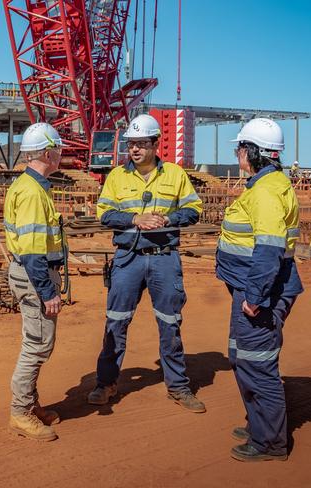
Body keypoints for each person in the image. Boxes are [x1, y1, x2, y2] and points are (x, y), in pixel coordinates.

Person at [87, 114, 206, 413]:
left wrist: (168, 218)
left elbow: (193, 209)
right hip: (128, 259)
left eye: (141, 144)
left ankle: (178, 386)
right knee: (116, 321)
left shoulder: (175, 175)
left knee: (170, 323)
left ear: (156, 144)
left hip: (164, 258)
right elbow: (105, 215)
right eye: (131, 144)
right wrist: (134, 219)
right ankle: (106, 383)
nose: (135, 150)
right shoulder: (116, 177)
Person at [217, 118, 304, 462]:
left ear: (251, 151)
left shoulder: (266, 192)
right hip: (251, 288)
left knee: (258, 364)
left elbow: (267, 250)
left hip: (259, 293)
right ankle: (259, 424)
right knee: (242, 357)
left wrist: (255, 297)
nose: (237, 154)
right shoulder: (265, 185)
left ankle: (269, 442)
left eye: (239, 148)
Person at [3, 122, 65, 441]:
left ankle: (31, 403)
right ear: (46, 152)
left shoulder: (32, 186)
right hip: (33, 276)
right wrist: (47, 292)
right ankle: (20, 411)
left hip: (31, 273)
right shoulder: (31, 192)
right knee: (37, 345)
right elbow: (32, 250)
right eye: (58, 149)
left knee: (37, 341)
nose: (61, 154)